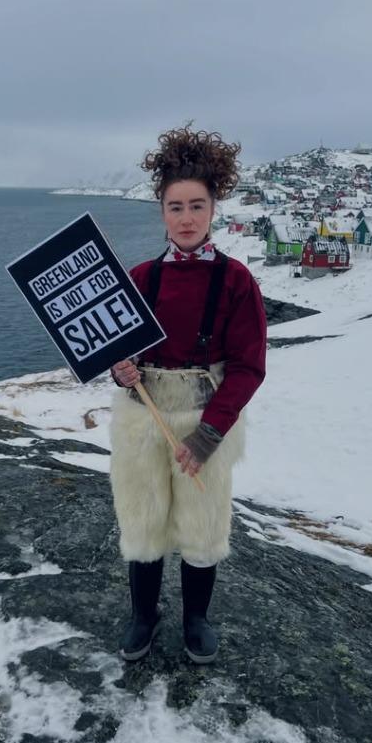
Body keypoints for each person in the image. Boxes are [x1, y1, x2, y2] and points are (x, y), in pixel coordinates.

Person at [109, 124, 267, 664]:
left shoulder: (237, 280)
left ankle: (196, 619)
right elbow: (119, 352)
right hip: (142, 415)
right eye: (175, 207)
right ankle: (143, 615)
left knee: (203, 522)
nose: (186, 218)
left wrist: (209, 434)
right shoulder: (140, 277)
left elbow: (248, 367)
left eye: (197, 205)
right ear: (161, 212)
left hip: (206, 414)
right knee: (142, 517)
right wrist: (121, 370)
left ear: (213, 208)